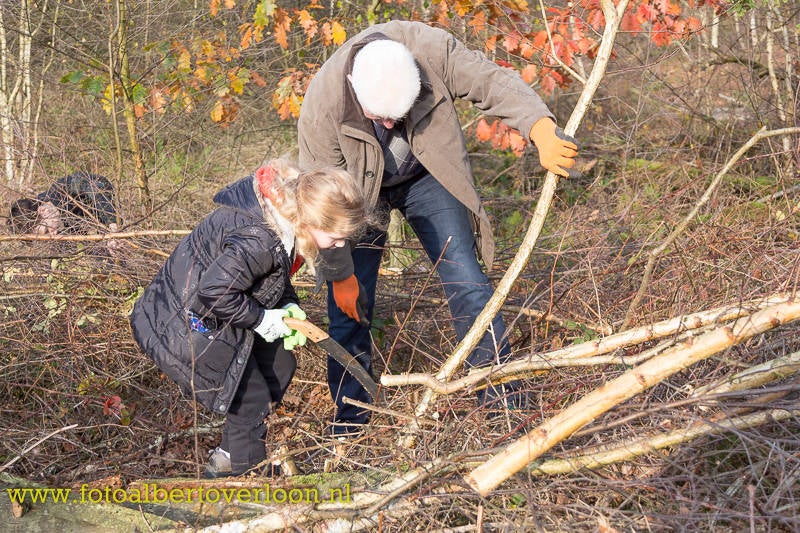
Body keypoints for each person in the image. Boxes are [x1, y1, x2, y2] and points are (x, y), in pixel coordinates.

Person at [297, 21, 579, 437]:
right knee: (349, 304)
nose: (391, 126)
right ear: (357, 88)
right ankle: (350, 423)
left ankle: (503, 404)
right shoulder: (323, 106)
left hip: (426, 177)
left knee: (467, 279)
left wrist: (536, 125)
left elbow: (490, 80)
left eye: (400, 115)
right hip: (354, 193)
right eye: (381, 118)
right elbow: (323, 203)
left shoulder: (430, 50)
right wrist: (339, 272)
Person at [129, 158, 370, 477]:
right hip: (183, 325)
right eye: (336, 238)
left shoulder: (284, 225)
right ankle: (250, 474)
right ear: (312, 222)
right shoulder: (262, 239)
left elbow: (262, 279)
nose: (339, 246)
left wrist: (286, 306)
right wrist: (261, 320)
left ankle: (230, 455)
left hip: (212, 315)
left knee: (281, 363)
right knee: (252, 397)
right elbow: (212, 293)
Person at [7, 171, 120, 236]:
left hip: (108, 217)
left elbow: (98, 186)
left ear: (43, 211)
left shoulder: (63, 188)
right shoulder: (56, 216)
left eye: (47, 230)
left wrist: (111, 224)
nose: (53, 234)